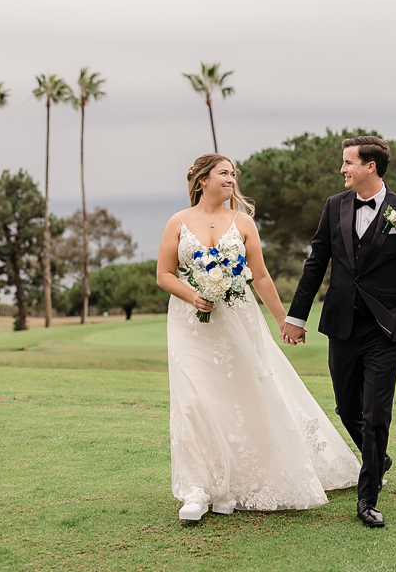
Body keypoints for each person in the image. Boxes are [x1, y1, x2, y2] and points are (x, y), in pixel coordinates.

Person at [156, 153, 361, 521]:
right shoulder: (178, 222)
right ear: (202, 180)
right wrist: (193, 295)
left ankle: (241, 480)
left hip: (238, 320)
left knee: (242, 396)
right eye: (223, 173)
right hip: (190, 323)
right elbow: (165, 274)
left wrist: (285, 320)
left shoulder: (243, 222)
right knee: (193, 400)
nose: (231, 179)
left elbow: (261, 276)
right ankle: (198, 488)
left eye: (233, 174)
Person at [282, 136, 396, 528]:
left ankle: (367, 497)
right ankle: (377, 456)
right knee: (347, 408)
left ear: (371, 166)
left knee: (376, 413)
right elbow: (316, 264)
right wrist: (296, 317)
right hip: (341, 325)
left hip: (384, 329)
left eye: (348, 162)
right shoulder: (334, 206)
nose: (342, 169)